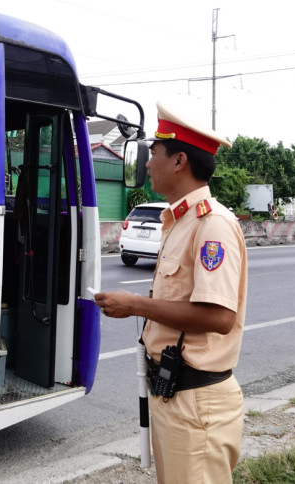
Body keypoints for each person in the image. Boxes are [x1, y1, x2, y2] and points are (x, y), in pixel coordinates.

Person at [95, 100, 248, 484]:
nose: (148, 163)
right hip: (174, 395)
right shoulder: (179, 221)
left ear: (179, 161)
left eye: (154, 153)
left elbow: (219, 317)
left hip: (196, 403)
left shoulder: (212, 225)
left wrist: (135, 305)